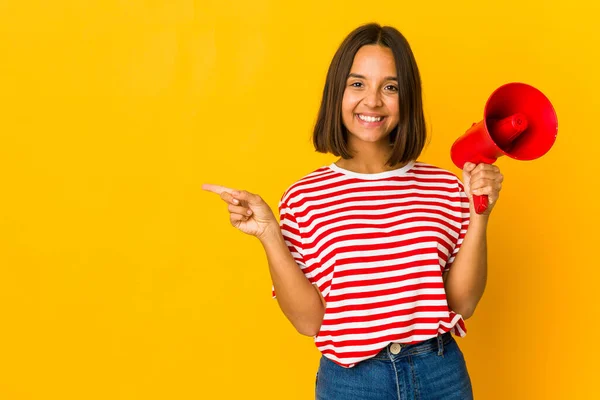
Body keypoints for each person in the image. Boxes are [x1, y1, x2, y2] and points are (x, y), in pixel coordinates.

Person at [203, 23, 503, 400]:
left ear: (406, 97)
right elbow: (309, 321)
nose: (373, 101)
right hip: (352, 382)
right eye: (357, 84)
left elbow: (463, 303)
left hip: (439, 374)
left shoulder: (444, 187)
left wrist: (481, 213)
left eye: (390, 87)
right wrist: (269, 234)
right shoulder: (304, 196)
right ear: (337, 93)